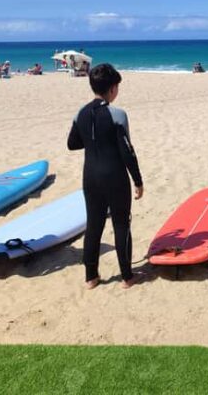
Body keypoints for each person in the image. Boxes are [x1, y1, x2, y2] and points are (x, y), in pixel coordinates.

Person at [68, 63, 144, 290]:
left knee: (94, 225)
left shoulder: (80, 113)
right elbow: (127, 151)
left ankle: (91, 277)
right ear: (112, 89)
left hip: (90, 177)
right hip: (115, 177)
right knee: (122, 224)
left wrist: (92, 141)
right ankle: (127, 277)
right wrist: (138, 180)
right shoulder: (118, 114)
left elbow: (72, 144)